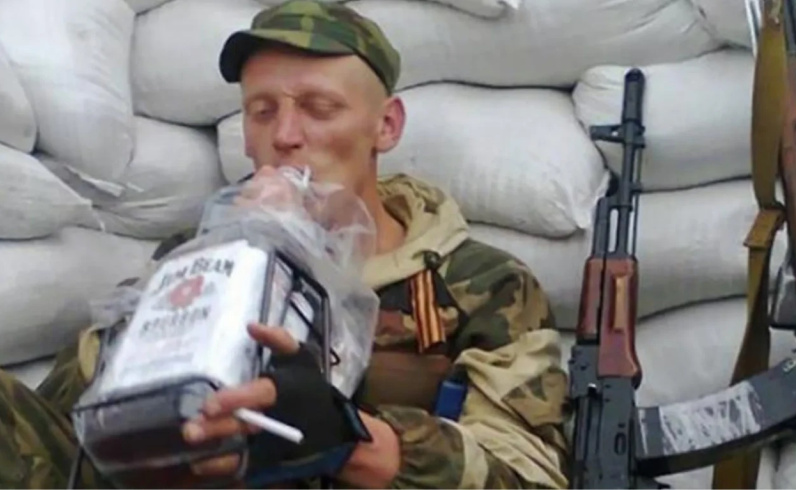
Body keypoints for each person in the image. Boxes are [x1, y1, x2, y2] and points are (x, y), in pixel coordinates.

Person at [0, 0, 570, 488]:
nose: (286, 136)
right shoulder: (195, 257)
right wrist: (226, 264)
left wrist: (345, 439)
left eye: (320, 109)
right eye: (262, 111)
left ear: (386, 127)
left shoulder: (481, 284)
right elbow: (58, 426)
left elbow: (529, 475)